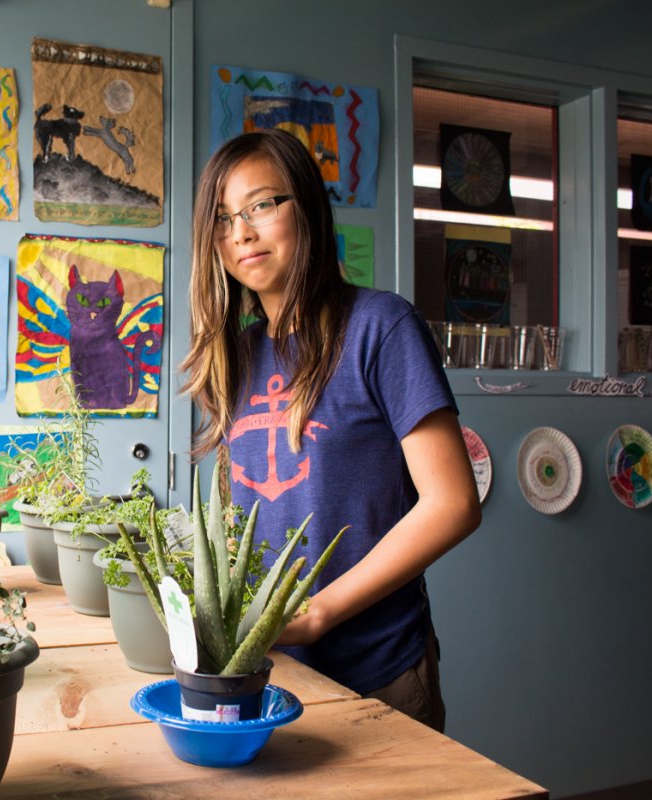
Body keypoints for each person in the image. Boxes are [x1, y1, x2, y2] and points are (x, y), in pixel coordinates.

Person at [181, 128, 481, 732]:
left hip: (380, 675)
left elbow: (453, 504)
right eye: (222, 218)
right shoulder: (232, 356)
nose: (241, 232)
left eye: (262, 204)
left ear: (308, 209)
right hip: (266, 673)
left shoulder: (381, 328)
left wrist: (318, 614)